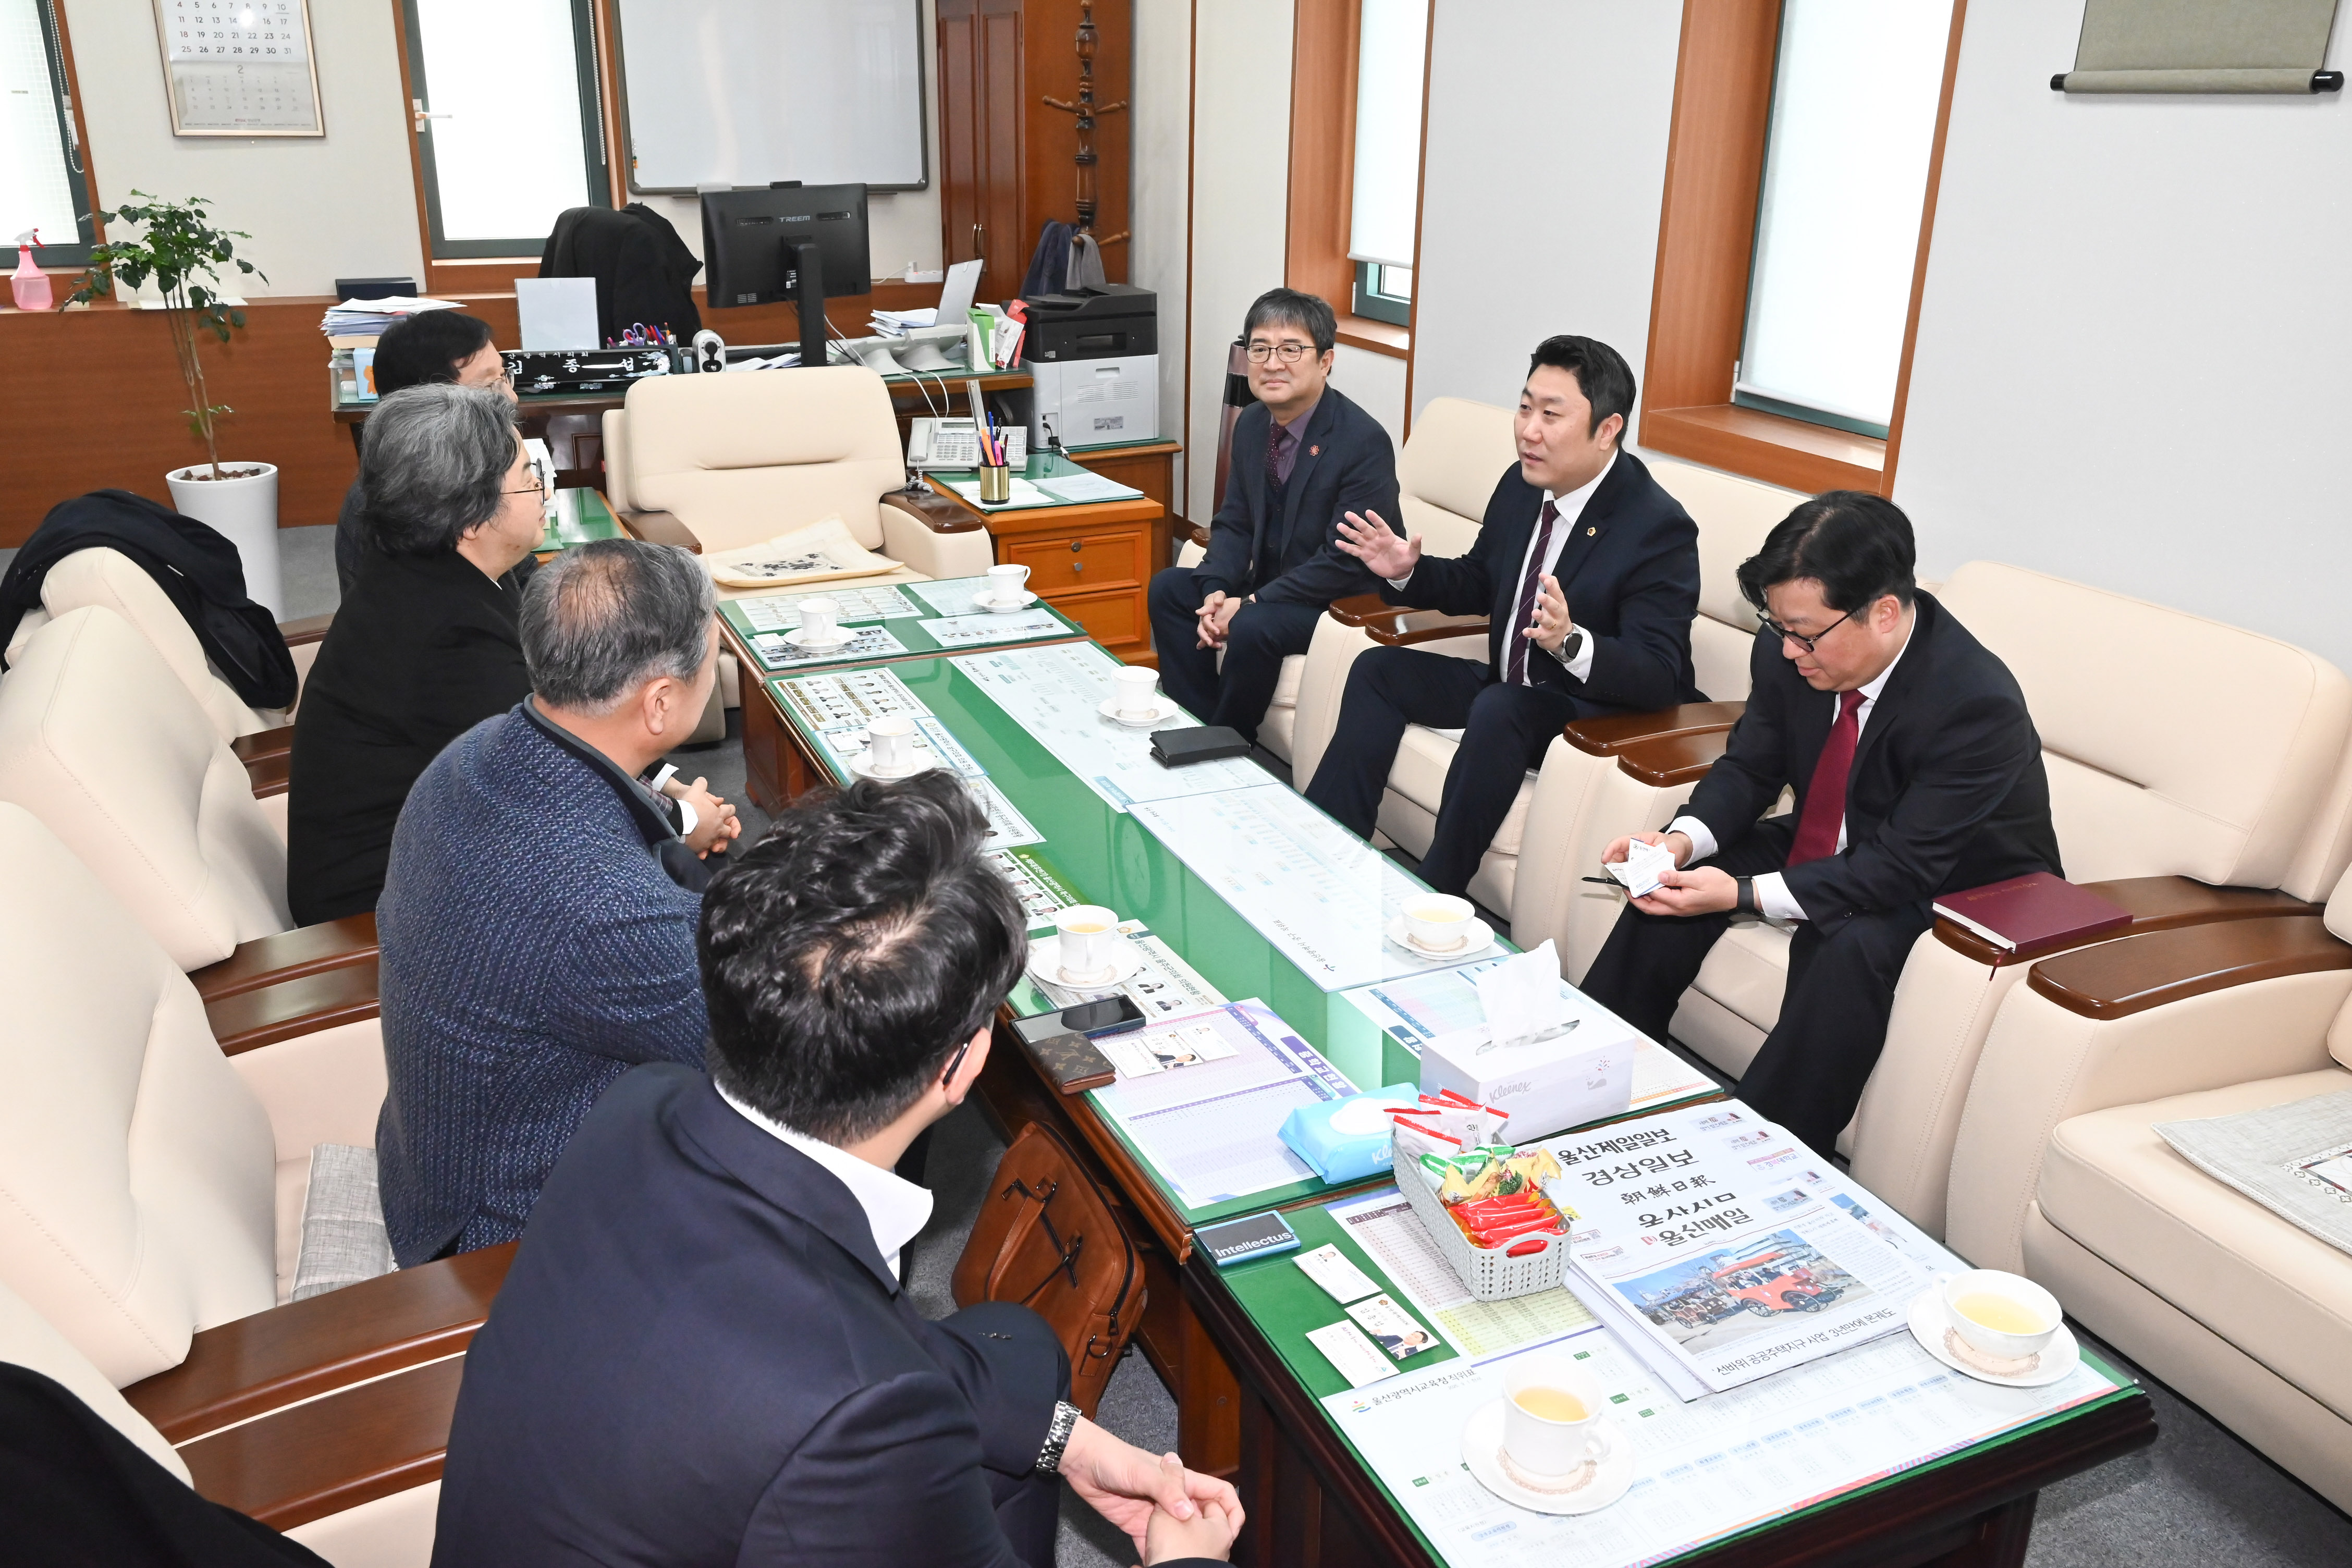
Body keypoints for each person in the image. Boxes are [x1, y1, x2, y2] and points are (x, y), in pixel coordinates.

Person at [431, 773, 1242, 1568]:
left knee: (1020, 1351)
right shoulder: (863, 1421)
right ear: (962, 1066)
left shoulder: (640, 1108)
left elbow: (866, 1341)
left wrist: (1066, 1441)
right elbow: (859, 1379)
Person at [1577, 492, 2059, 1155]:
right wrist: (1679, 841)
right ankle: (1589, 1082)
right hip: (1842, 837)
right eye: (1779, 627)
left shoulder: (1975, 702)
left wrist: (1743, 893)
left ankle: (1762, 1153)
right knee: (1674, 881)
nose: (1789, 650)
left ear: (1884, 613)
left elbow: (1900, 867)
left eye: (1806, 633)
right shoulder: (1791, 646)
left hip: (1959, 885)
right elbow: (1750, 766)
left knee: (1851, 946)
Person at [375, 538, 741, 1267]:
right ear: (661, 703)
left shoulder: (475, 754)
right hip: (506, 1234)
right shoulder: (605, 908)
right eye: (711, 655)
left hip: (431, 1162)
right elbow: (748, 1060)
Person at [1302, 335, 1702, 896]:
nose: (1528, 430)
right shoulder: (1522, 484)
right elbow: (1479, 580)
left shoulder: (1657, 526)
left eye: (1550, 414)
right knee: (1379, 669)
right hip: (1512, 687)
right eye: (1524, 407)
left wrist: (1570, 641)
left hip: (1590, 713)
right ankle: (1323, 846)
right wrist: (1404, 571)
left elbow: (1661, 673)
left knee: (1501, 707)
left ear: (1607, 429)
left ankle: (1434, 893)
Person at [287, 385, 540, 924]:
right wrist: (678, 816)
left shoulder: (427, 575)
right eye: (527, 479)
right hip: (388, 915)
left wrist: (661, 785)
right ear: (473, 518)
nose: (541, 490)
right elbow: (542, 785)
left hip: (434, 855)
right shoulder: (448, 637)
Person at [1146, 288, 1402, 742]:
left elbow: (1344, 561)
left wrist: (1250, 603)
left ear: (1325, 361)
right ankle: (1199, 724)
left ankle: (1228, 741)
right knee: (1170, 588)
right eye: (1259, 349)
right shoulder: (1252, 423)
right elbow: (1235, 523)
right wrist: (1216, 591)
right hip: (1270, 587)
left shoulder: (1362, 442)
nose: (1272, 363)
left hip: (1335, 602)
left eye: (1291, 349)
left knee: (1253, 624)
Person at [337, 309, 513, 595]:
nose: (511, 398)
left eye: (505, 377)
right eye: (490, 386)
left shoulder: (469, 469)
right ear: (432, 407)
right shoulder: (418, 500)